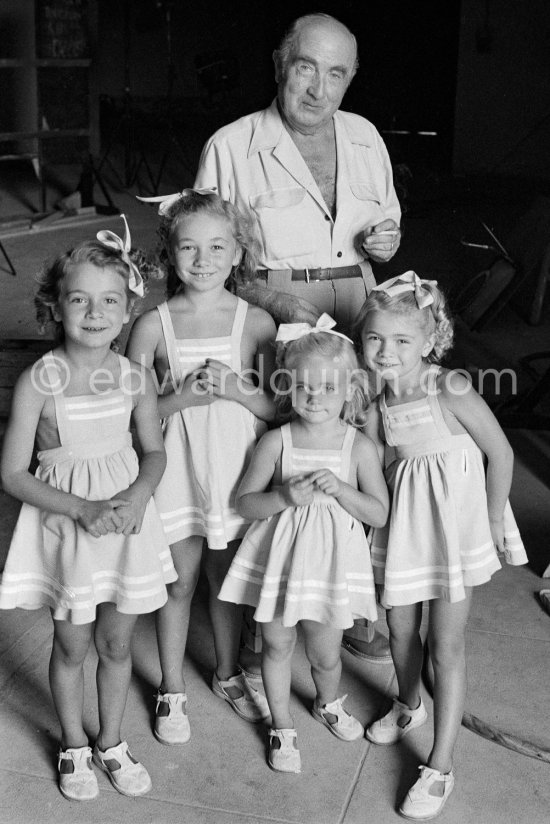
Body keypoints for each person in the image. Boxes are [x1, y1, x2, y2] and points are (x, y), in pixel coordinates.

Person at [194, 10, 400, 661]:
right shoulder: (231, 144)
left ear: (350, 79)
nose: (319, 87)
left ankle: (353, 604)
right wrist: (272, 298)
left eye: (336, 73)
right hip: (274, 310)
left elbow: (388, 220)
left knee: (361, 445)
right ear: (282, 64)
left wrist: (388, 239)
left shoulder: (365, 136)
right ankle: (271, 608)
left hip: (355, 301)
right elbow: (205, 253)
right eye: (307, 67)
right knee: (281, 447)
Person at [0, 217, 177, 801]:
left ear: (129, 311)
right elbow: (12, 473)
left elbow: (152, 452)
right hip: (71, 528)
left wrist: (136, 497)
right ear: (55, 305)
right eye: (79, 299)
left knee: (117, 645)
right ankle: (74, 741)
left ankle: (112, 740)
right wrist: (80, 507)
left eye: (109, 301)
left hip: (124, 526)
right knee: (72, 644)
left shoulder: (135, 378)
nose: (95, 312)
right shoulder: (38, 381)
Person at [354, 271, 528, 820]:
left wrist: (496, 522)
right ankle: (409, 704)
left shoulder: (447, 387)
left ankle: (441, 766)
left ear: (430, 341)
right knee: (401, 628)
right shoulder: (379, 400)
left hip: (453, 534)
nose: (386, 351)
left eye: (402, 341)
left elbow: (500, 455)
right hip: (404, 531)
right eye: (375, 339)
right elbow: (380, 465)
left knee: (444, 647)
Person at [126, 190, 277, 745]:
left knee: (224, 577)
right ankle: (170, 686)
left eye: (217, 246)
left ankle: (226, 672)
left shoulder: (255, 322)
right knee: (180, 577)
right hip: (178, 471)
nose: (203, 258)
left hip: (237, 470)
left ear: (238, 253)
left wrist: (237, 388)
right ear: (170, 254)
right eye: (188, 247)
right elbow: (129, 412)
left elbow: (278, 409)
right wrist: (179, 400)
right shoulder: (152, 326)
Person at [218, 317, 389, 772]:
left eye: (329, 388)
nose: (315, 397)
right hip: (282, 565)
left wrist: (341, 489)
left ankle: (327, 702)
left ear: (350, 391)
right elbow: (245, 504)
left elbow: (379, 513)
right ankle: (281, 725)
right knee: (275, 646)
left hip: (331, 568)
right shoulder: (277, 441)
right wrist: (283, 496)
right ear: (288, 388)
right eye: (304, 387)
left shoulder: (359, 449)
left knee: (325, 653)